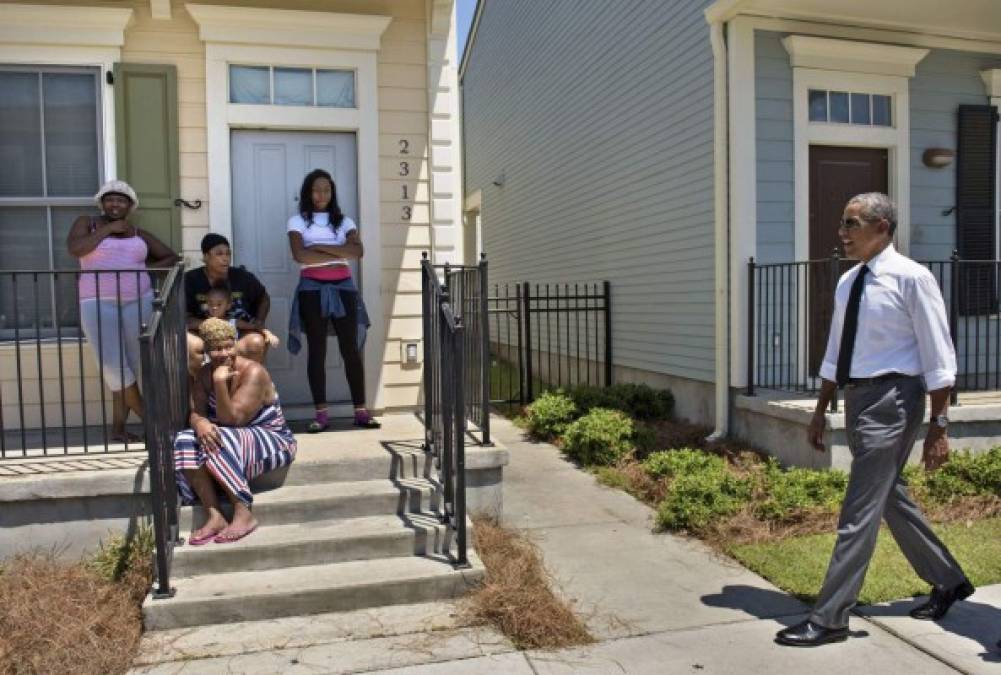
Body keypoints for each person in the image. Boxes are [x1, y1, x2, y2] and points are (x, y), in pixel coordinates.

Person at [776, 193, 973, 648]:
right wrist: (822, 408)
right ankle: (948, 579)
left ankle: (830, 618)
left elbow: (939, 357)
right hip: (858, 397)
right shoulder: (850, 283)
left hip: (895, 399)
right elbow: (834, 349)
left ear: (882, 227)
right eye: (842, 223)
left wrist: (939, 428)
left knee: (858, 511)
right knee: (887, 497)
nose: (842, 233)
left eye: (852, 223)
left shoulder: (912, 279)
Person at [66, 179, 179, 443]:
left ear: (130, 206)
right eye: (110, 199)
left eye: (121, 200)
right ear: (102, 203)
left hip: (137, 302)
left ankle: (118, 430)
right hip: (96, 301)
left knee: (127, 367)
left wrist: (141, 271)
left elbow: (171, 257)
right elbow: (75, 249)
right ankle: (153, 425)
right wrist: (108, 230)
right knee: (113, 366)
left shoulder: (138, 233)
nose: (115, 204)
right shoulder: (88, 223)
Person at [174, 317, 296, 544]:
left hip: (272, 440)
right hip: (231, 440)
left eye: (228, 346)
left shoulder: (253, 372)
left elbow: (232, 421)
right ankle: (215, 514)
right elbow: (196, 412)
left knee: (218, 436)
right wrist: (200, 423)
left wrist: (220, 383)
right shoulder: (203, 374)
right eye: (216, 349)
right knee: (183, 439)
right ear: (208, 351)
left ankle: (243, 511)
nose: (223, 353)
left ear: (236, 345)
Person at [287, 168, 379, 432]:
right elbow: (300, 256)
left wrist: (318, 247)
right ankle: (321, 415)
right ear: (308, 192)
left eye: (327, 189)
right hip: (311, 289)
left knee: (351, 350)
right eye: (316, 189)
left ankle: (361, 412)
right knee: (317, 350)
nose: (322, 194)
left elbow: (358, 251)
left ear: (332, 192)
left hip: (344, 288)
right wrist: (339, 253)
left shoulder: (344, 221)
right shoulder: (297, 222)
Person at [185, 233, 271, 375]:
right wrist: (214, 326)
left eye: (228, 254)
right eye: (219, 254)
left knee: (256, 343)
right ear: (206, 257)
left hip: (239, 331)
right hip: (202, 332)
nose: (225, 258)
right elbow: (185, 318)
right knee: (192, 346)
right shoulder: (191, 280)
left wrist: (260, 320)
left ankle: (246, 387)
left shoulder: (243, 277)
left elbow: (264, 298)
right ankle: (200, 392)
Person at [204, 282, 280, 350]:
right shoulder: (205, 322)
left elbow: (255, 326)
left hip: (229, 357)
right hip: (210, 359)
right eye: (210, 304)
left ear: (228, 306)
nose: (214, 307)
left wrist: (268, 334)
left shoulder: (233, 322)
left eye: (219, 304)